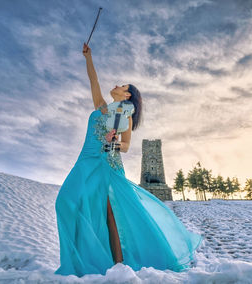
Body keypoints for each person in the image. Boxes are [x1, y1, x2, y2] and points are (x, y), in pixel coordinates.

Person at [54, 42, 203, 277]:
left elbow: (125, 146)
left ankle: (118, 265)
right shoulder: (102, 108)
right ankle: (85, 258)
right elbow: (93, 81)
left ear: (127, 95)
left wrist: (113, 142)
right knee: (66, 202)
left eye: (122, 85)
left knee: (109, 211)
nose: (117, 84)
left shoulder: (125, 115)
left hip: (106, 164)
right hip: (85, 161)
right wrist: (88, 58)